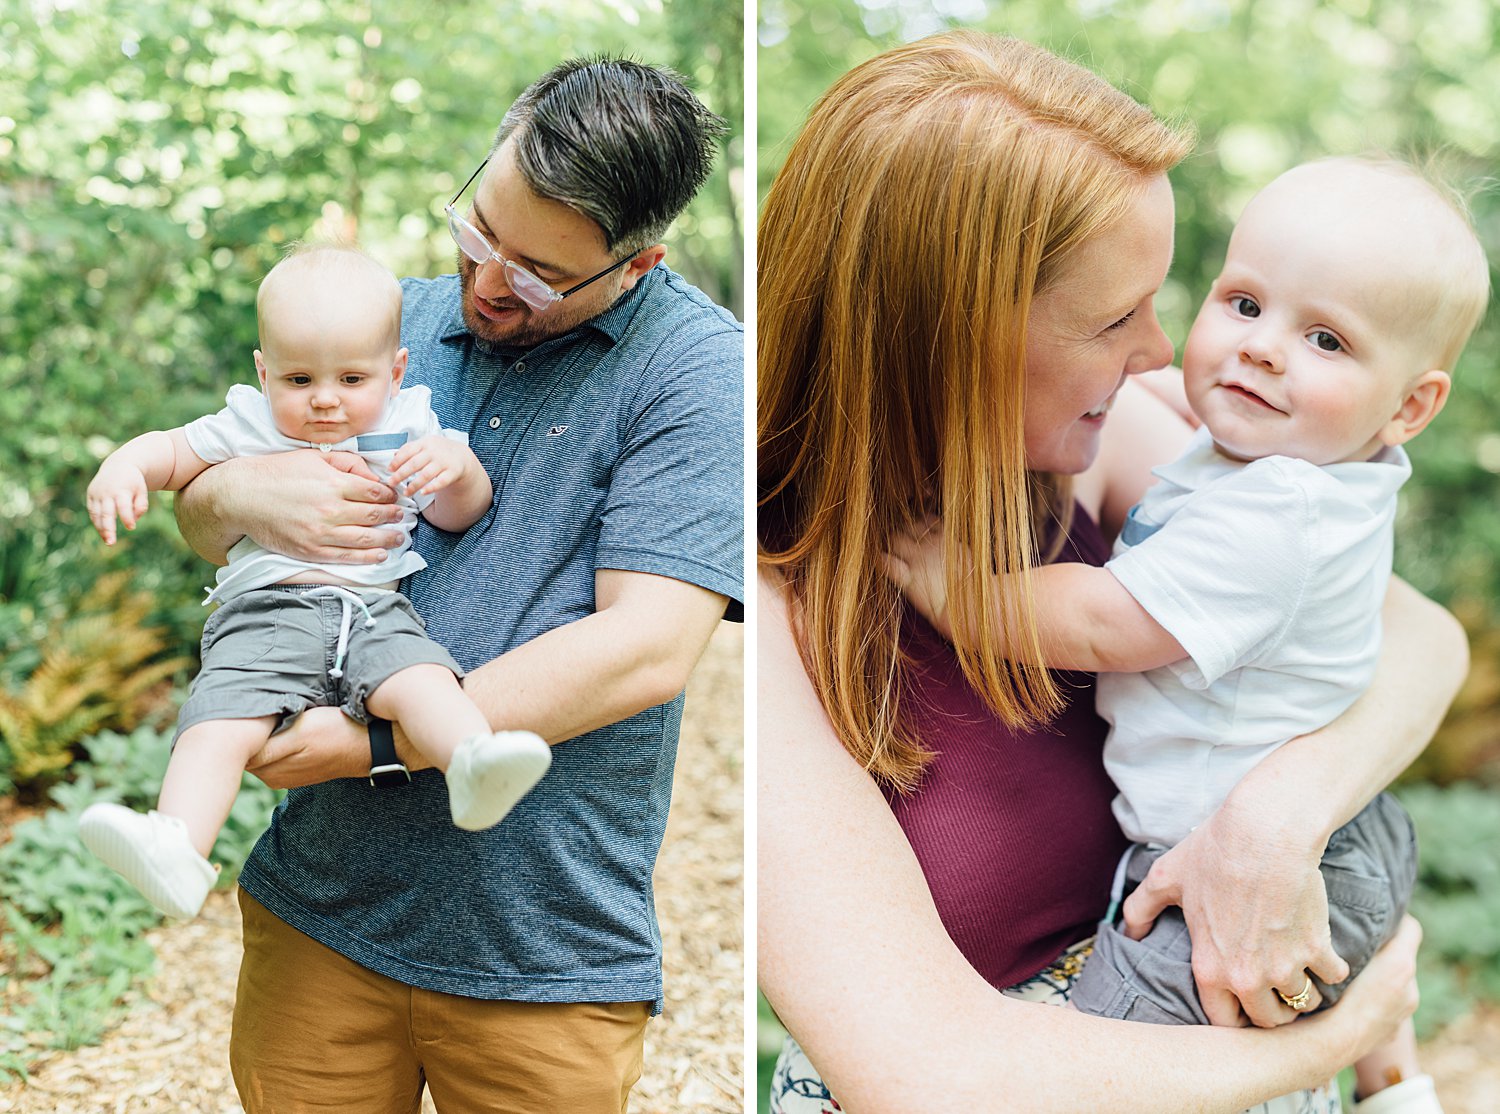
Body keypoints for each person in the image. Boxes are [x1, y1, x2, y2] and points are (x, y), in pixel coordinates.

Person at [759, 31, 1468, 1114]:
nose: (1158, 350)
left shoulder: (1098, 438)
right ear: (956, 341)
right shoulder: (764, 610)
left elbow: (1418, 632)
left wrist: (1278, 813)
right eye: (1112, 317)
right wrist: (1342, 1038)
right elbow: (923, 1071)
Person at [171, 59, 743, 1112]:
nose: (485, 283)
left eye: (533, 275)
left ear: (636, 262)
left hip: (539, 945)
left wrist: (379, 744)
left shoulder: (698, 372)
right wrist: (244, 489)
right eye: (481, 229)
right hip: (321, 906)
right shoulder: (382, 325)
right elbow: (201, 511)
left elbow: (650, 645)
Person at [77, 245, 552, 921]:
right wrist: (124, 467)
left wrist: (457, 466)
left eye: (351, 379)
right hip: (267, 614)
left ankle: (472, 762)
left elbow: (457, 513)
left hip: (376, 612)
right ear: (264, 373)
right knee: (220, 720)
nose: (325, 400)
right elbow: (174, 451)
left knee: (420, 680)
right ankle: (177, 845)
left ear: (395, 372)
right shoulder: (248, 423)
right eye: (299, 380)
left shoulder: (409, 425)